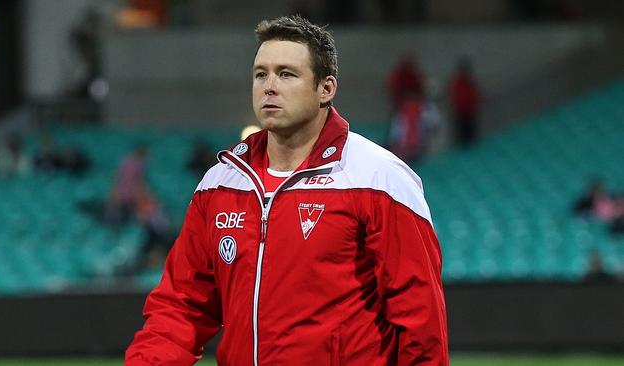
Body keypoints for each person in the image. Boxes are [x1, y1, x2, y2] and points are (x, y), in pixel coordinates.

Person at [126, 15, 448, 365]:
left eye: (287, 74)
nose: (269, 86)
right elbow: (181, 307)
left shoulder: (379, 179)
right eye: (260, 74)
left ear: (326, 88)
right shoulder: (219, 183)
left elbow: (419, 319)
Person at [449, 58, 480, 147]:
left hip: (470, 113)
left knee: (471, 136)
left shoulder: (470, 83)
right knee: (462, 137)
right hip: (461, 114)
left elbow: (474, 96)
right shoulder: (457, 83)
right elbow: (455, 98)